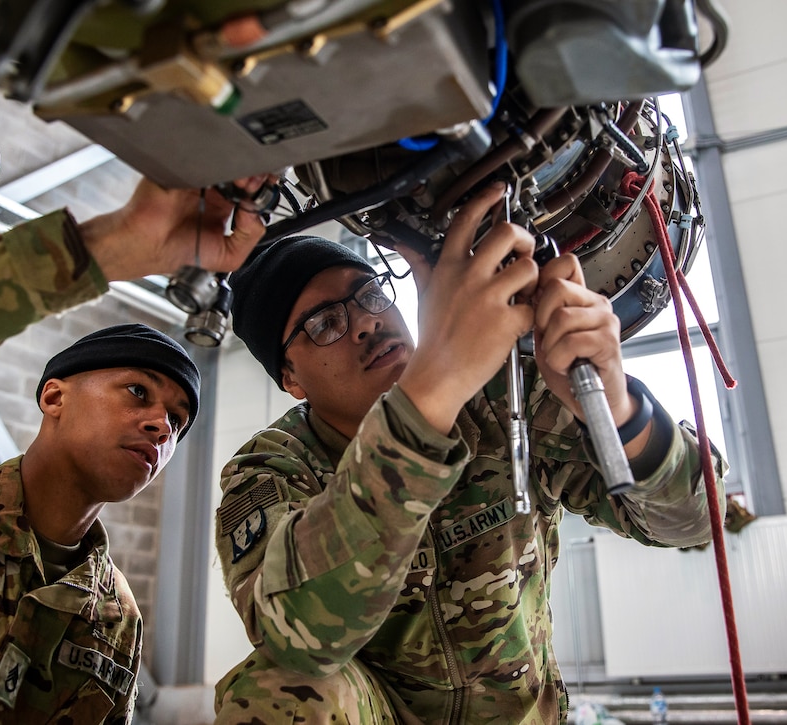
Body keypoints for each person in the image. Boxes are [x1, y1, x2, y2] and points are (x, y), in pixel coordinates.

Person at [213, 181, 728, 723]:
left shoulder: (503, 398)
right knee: (274, 691)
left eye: (369, 294)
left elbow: (698, 518)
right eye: (324, 324)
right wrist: (432, 394)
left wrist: (615, 404)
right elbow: (296, 637)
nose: (366, 321)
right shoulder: (274, 467)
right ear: (290, 378)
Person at [0, 175, 272, 723]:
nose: (162, 426)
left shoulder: (115, 620)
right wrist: (107, 246)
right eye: (138, 391)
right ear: (54, 396)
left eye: (178, 421)